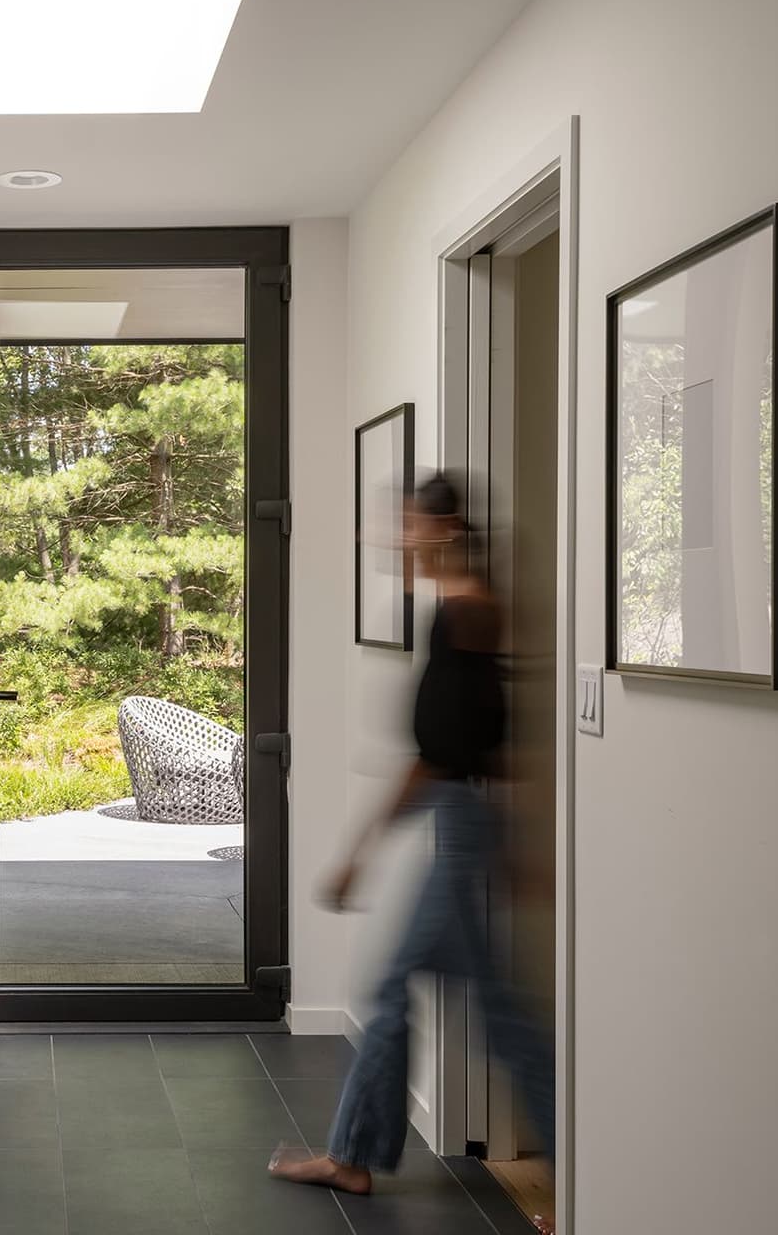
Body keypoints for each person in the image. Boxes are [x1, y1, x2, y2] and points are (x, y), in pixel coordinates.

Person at [268, 472, 556, 1234]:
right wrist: (515, 833)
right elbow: (489, 741)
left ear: (446, 528)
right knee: (499, 1011)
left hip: (461, 830)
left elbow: (443, 753)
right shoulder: (469, 614)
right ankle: (581, 1165)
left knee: (397, 989)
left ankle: (353, 1157)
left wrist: (360, 849)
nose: (394, 536)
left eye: (405, 524)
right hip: (468, 824)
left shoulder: (464, 617)